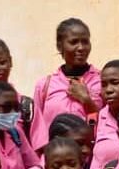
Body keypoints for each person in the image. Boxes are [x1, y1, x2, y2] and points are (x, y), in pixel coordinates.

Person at [30, 18, 102, 151]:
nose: (81, 48)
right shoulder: (45, 85)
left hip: (91, 158)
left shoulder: (103, 81)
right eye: (74, 42)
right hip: (57, 160)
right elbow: (37, 130)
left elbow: (109, 123)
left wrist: (86, 100)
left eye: (85, 42)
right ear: (59, 46)